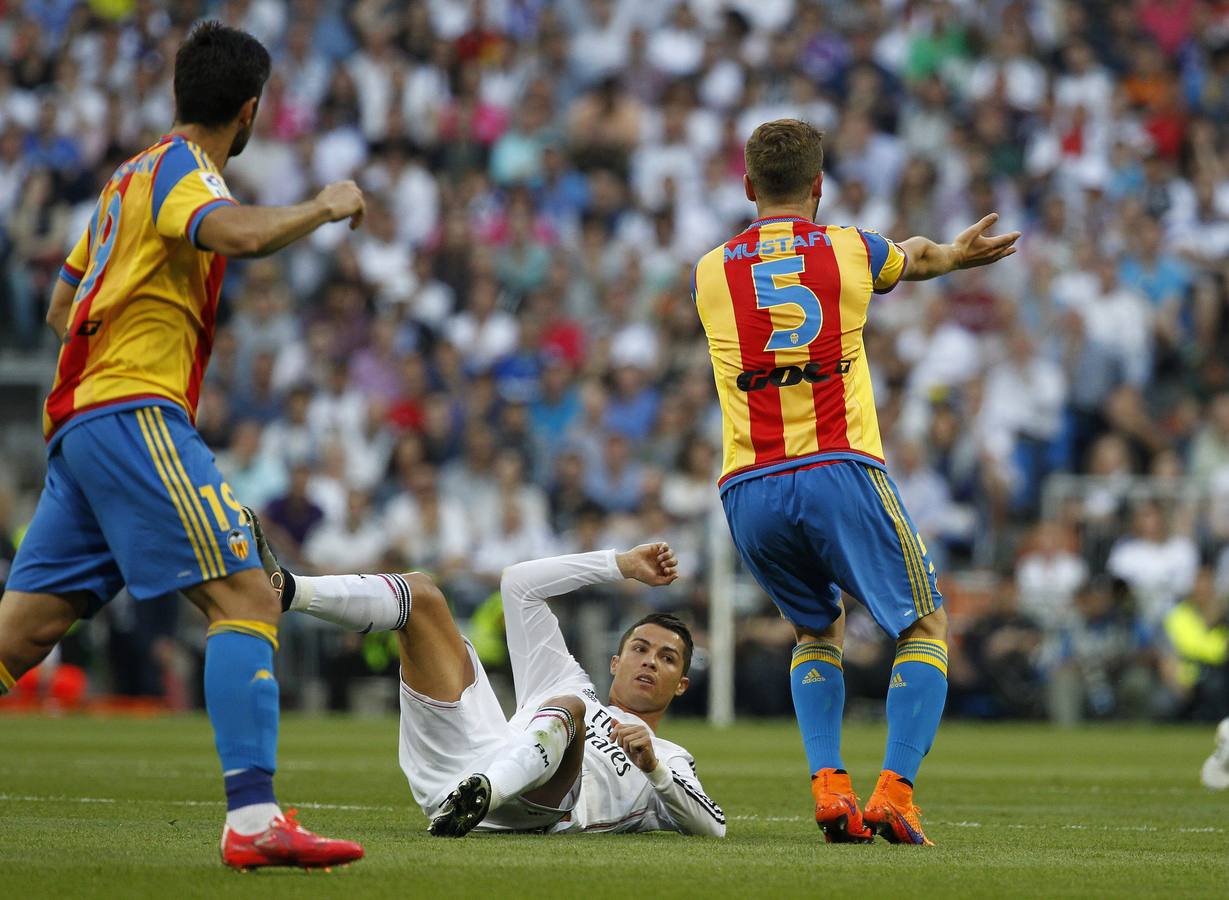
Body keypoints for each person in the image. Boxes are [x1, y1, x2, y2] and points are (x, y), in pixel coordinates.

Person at [0, 22, 367, 870]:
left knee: (20, 636)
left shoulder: (122, 180)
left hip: (81, 425)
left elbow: (63, 309)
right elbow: (230, 233)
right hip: (133, 413)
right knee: (247, 594)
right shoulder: (182, 171)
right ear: (248, 112)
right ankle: (253, 820)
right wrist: (323, 204)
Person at [691, 119, 1020, 845]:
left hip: (746, 485)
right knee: (924, 624)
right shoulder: (849, 248)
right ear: (818, 184)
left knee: (816, 627)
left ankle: (830, 786)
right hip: (836, 465)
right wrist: (959, 257)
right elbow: (918, 257)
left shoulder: (709, 270)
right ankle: (895, 793)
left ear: (747, 186)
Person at [245, 507, 725, 838]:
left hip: (537, 808)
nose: (649, 661)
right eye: (640, 648)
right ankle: (286, 590)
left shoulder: (667, 756)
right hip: (462, 768)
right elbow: (518, 583)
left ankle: (486, 794)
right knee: (424, 594)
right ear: (615, 662)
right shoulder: (565, 676)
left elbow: (714, 827)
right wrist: (618, 563)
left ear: (682, 683)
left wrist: (654, 768)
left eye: (666, 658)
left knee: (570, 709)